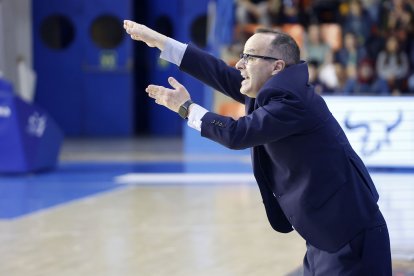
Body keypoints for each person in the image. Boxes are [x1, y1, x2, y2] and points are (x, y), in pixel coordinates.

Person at [123, 20, 392, 275]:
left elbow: (237, 134)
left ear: (276, 67)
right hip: (326, 235)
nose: (239, 64)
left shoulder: (290, 101)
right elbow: (217, 71)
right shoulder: (273, 91)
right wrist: (159, 42)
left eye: (249, 57)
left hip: (350, 237)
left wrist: (186, 108)